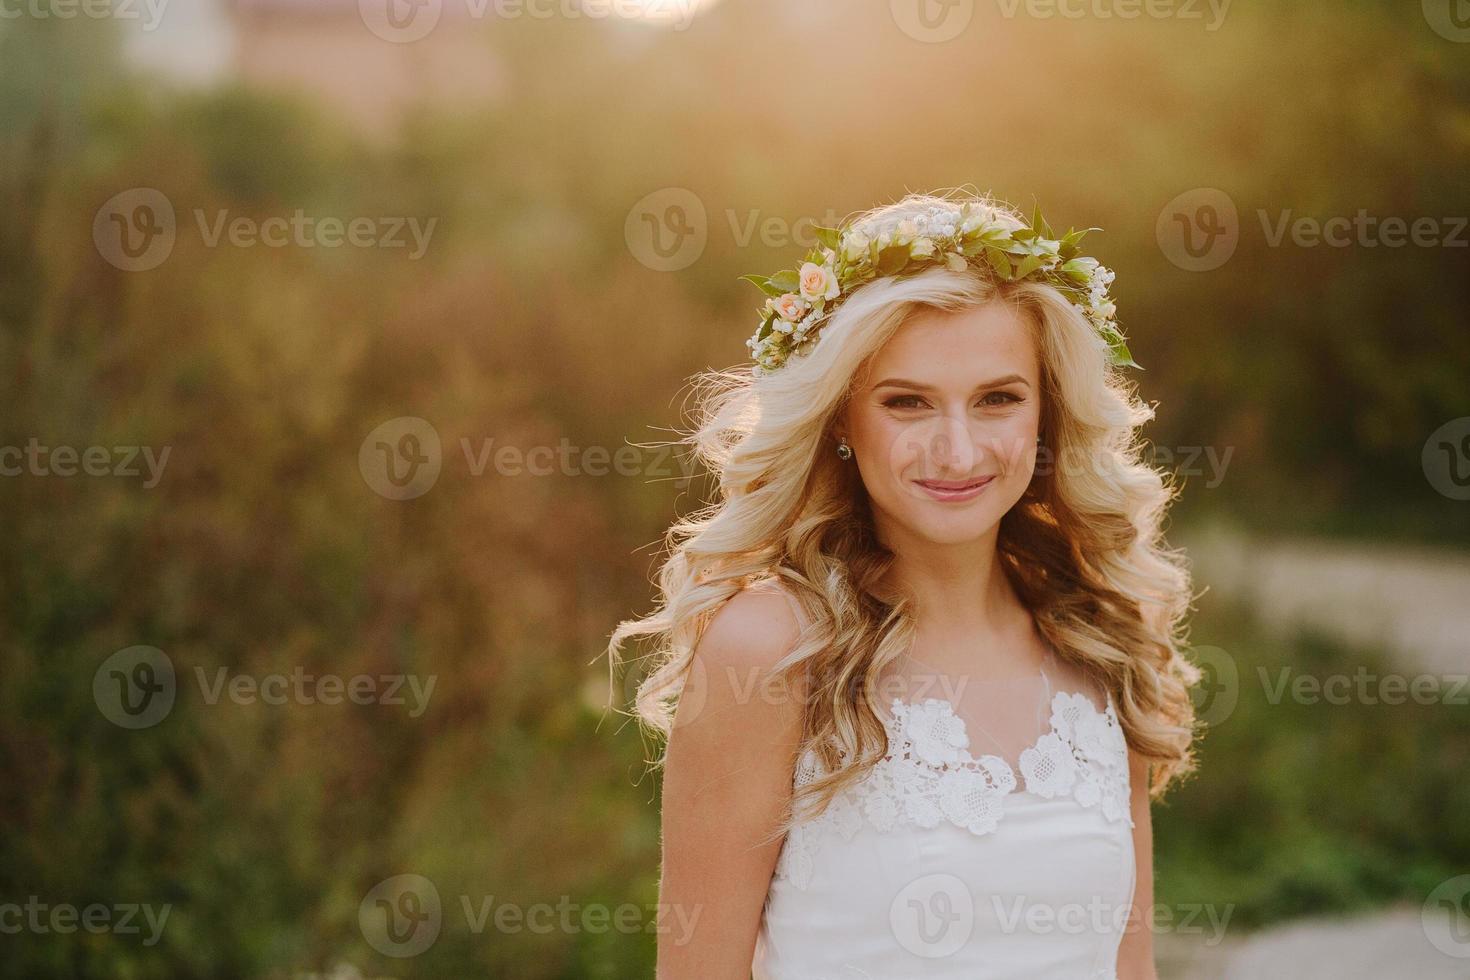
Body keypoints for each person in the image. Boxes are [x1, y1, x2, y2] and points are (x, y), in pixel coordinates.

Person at [607, 189, 1202, 979]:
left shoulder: (1101, 635)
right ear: (843, 422)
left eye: (998, 399)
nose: (957, 452)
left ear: (1047, 414)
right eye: (907, 403)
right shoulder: (770, 651)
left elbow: (1132, 969)